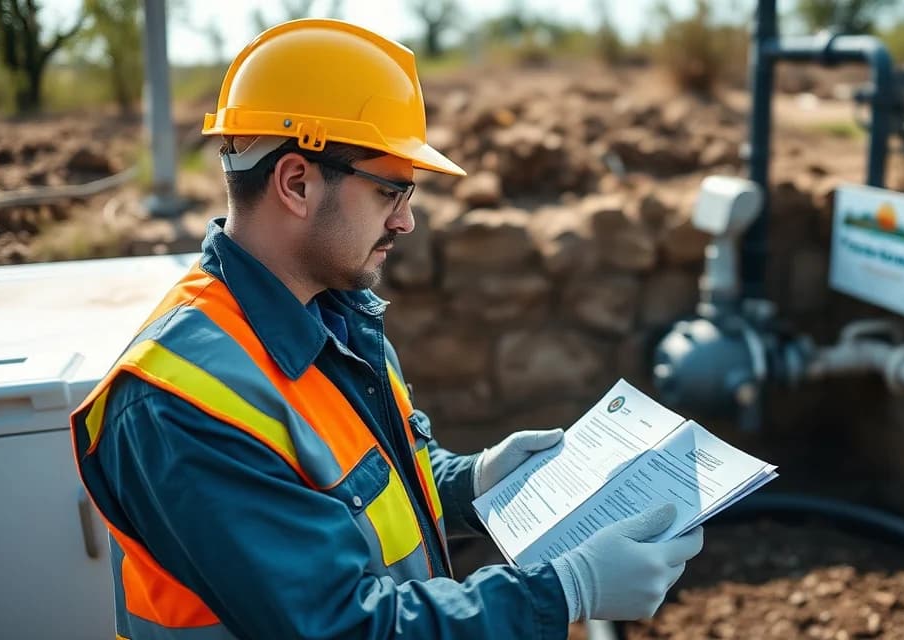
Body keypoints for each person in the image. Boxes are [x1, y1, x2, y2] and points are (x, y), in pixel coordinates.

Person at [70, 19, 703, 640]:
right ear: (296, 183)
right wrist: (565, 590)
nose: (405, 223)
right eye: (389, 193)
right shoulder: (179, 407)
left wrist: (475, 483)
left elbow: (369, 495)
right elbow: (341, 626)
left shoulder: (333, 313)